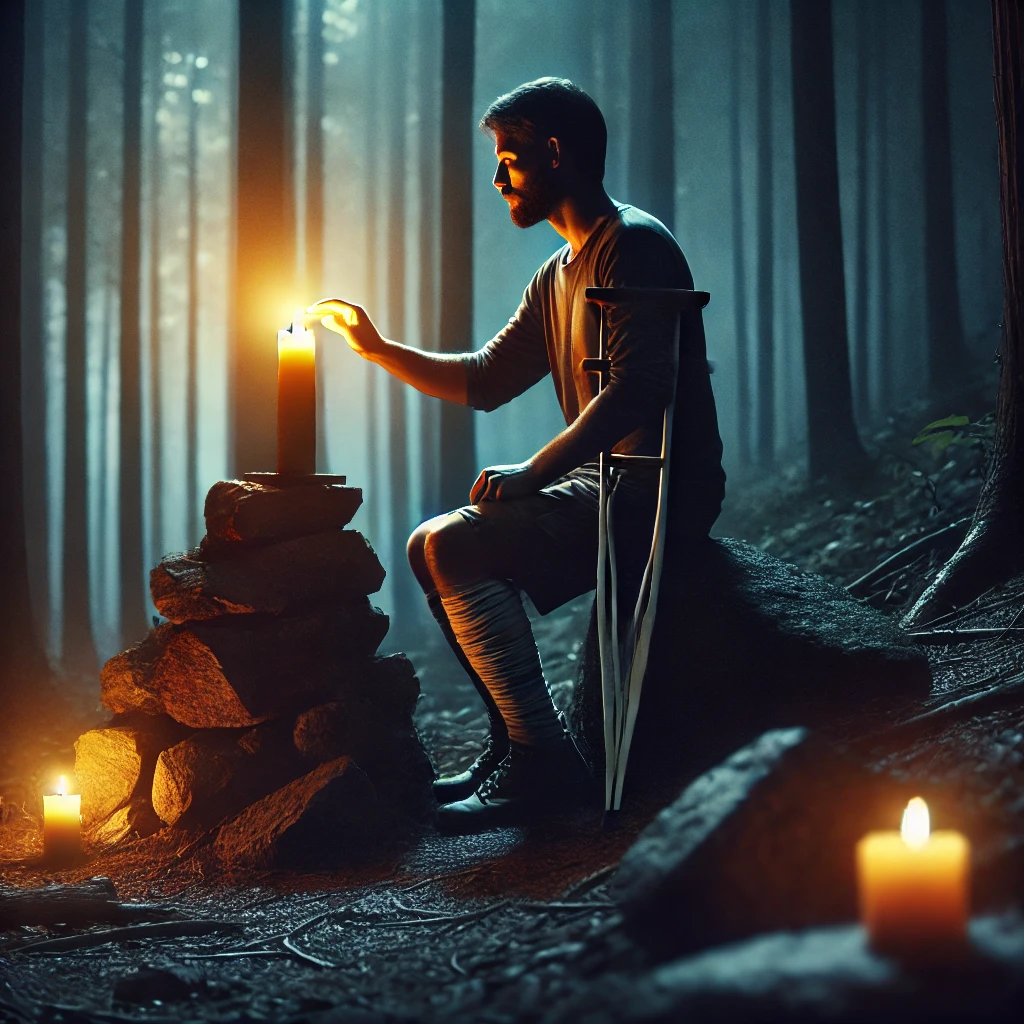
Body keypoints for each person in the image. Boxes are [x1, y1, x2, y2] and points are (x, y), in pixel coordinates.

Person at [309, 78, 725, 829]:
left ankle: (541, 763)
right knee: (427, 545)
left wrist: (536, 470)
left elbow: (641, 388)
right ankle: (518, 744)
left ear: (557, 153)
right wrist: (374, 349)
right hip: (605, 484)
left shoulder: (634, 244)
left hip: (659, 489)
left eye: (509, 159)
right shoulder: (557, 272)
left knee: (449, 543)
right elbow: (484, 380)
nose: (498, 179)